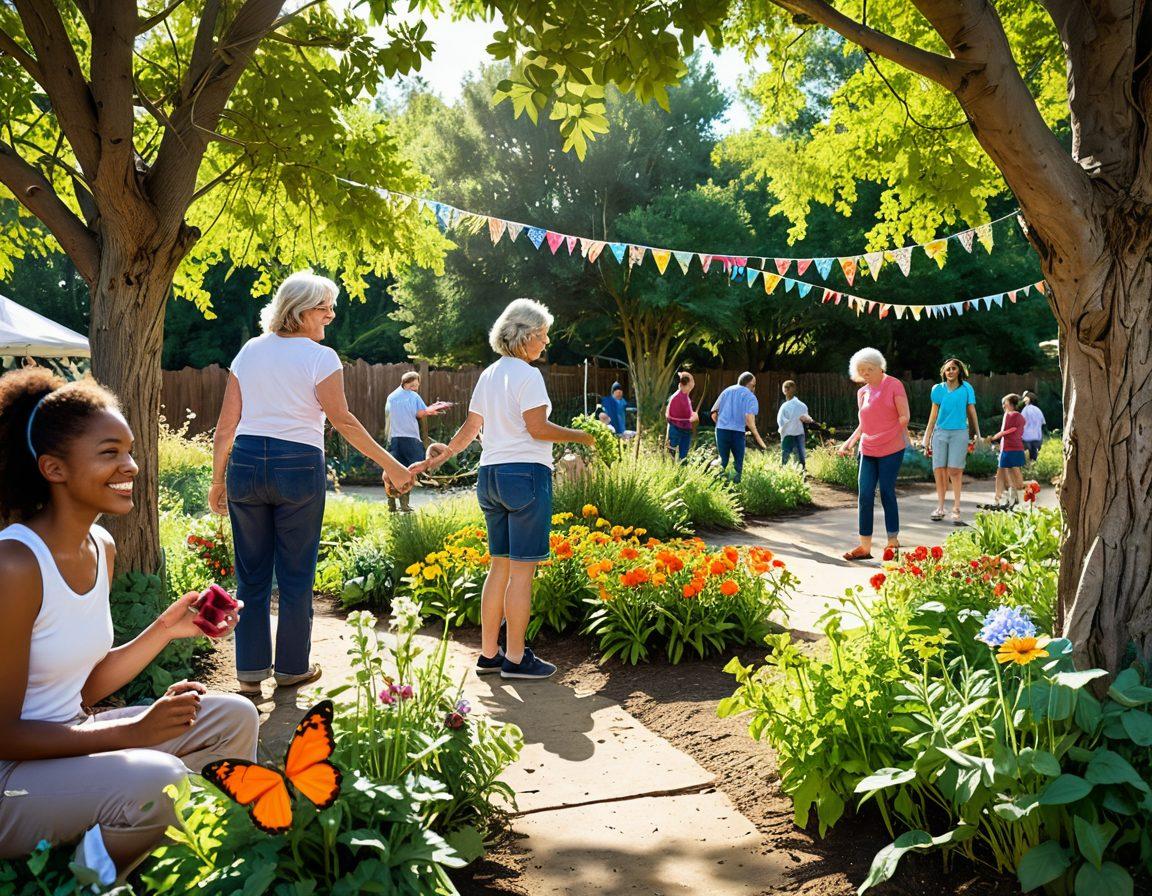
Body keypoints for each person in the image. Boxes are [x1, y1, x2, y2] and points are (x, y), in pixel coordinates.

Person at [0, 369, 257, 875]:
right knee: (155, 779)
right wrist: (134, 732)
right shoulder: (15, 565)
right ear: (54, 469)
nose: (131, 466)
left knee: (234, 717)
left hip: (64, 748)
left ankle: (192, 851)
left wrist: (165, 629)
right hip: (13, 781)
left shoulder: (103, 547)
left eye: (130, 450)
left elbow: (82, 688)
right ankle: (89, 881)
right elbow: (4, 734)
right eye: (109, 452)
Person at [210, 272, 414, 696]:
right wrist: (393, 465)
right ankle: (291, 669)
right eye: (324, 306)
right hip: (298, 466)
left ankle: (249, 674)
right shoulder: (321, 357)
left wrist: (218, 479)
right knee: (296, 572)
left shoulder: (249, 352)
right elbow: (342, 421)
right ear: (300, 310)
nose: (331, 314)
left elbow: (226, 425)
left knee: (251, 574)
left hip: (246, 464)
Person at [417, 299, 594, 680]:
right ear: (527, 336)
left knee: (498, 567)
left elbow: (470, 429)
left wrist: (440, 457)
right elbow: (538, 429)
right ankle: (516, 658)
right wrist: (583, 436)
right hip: (526, 477)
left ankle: (489, 654)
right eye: (543, 336)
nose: (546, 344)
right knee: (522, 573)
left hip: (490, 477)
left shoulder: (490, 374)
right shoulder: (528, 376)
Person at [838, 348, 910, 560]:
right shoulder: (862, 392)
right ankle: (864, 547)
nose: (866, 373)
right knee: (865, 494)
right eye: (862, 370)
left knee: (887, 491)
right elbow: (863, 424)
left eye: (869, 369)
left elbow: (904, 416)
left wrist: (889, 433)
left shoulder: (894, 385)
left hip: (891, 448)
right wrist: (849, 443)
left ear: (880, 367)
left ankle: (892, 541)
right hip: (868, 449)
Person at [922, 358, 981, 525]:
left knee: (954, 470)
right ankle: (940, 507)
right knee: (939, 470)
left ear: (959, 371)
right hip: (940, 433)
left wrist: (978, 433)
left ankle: (956, 507)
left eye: (953, 368)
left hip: (959, 433)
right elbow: (933, 416)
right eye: (947, 369)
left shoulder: (967, 388)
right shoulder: (937, 389)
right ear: (944, 372)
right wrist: (926, 438)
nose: (950, 372)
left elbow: (972, 412)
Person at [385, 371, 442, 513]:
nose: (416, 388)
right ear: (404, 383)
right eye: (413, 385)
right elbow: (420, 413)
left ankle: (391, 503)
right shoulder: (413, 396)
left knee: (392, 469)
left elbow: (389, 415)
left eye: (417, 385)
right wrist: (431, 411)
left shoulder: (391, 397)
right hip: (410, 438)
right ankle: (404, 505)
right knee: (411, 470)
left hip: (394, 438)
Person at [710, 372, 768, 483]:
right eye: (754, 385)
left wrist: (721, 424)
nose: (754, 388)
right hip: (737, 432)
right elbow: (749, 419)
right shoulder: (750, 397)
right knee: (738, 462)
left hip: (721, 430)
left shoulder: (726, 391)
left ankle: (715, 483)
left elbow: (713, 413)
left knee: (723, 460)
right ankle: (735, 488)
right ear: (750, 384)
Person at [986, 393, 1027, 509]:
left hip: (1008, 448)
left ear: (1010, 404)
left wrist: (992, 438)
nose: (1003, 405)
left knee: (1007, 473)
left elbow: (1004, 431)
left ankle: (1010, 498)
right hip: (1017, 447)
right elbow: (1017, 430)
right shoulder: (1020, 416)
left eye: (1005, 403)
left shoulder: (1008, 415)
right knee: (1005, 472)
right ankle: (1004, 498)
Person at [777, 380, 815, 469]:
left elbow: (780, 421)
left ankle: (784, 475)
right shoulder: (803, 405)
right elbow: (807, 419)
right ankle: (801, 475)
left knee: (785, 458)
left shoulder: (784, 407)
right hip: (799, 434)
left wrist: (782, 430)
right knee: (800, 459)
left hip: (787, 434)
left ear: (785, 390)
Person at [665, 372, 698, 460]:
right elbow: (670, 415)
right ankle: (673, 471)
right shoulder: (676, 397)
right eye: (689, 385)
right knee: (672, 454)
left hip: (685, 429)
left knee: (683, 455)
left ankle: (681, 469)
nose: (691, 387)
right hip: (676, 428)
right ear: (682, 385)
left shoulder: (685, 396)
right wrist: (692, 417)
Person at [1021, 391, 1047, 461]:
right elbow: (1043, 423)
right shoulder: (1038, 410)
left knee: (1025, 454)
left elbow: (1021, 422)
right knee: (1033, 456)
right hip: (1037, 437)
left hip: (1026, 437)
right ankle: (1032, 467)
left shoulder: (1025, 410)